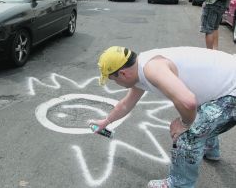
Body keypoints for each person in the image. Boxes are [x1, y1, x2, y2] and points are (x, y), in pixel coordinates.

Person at [90, 46, 236, 188]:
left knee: (186, 135)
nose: (116, 83)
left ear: (122, 74)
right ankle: (210, 149)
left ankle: (179, 184)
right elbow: (126, 104)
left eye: (113, 79)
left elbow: (188, 102)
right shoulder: (139, 68)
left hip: (231, 91)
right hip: (224, 85)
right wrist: (107, 121)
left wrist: (184, 124)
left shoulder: (152, 69)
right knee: (201, 115)